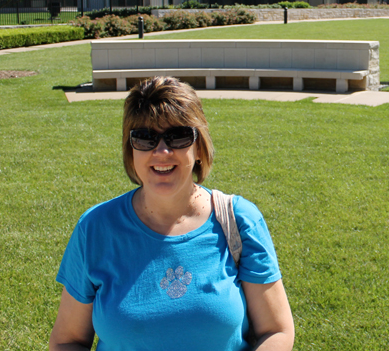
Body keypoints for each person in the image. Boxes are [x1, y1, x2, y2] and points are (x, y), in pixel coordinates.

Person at [49, 76, 295, 351]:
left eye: (178, 137)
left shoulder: (239, 220)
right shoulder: (95, 228)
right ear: (131, 152)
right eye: (144, 138)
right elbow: (66, 340)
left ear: (199, 147)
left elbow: (276, 330)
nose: (162, 151)